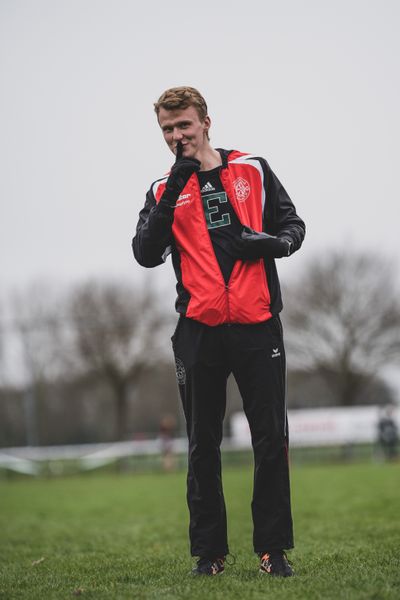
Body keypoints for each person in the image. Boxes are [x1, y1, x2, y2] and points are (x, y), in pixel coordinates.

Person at [132, 86, 305, 577]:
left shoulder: (253, 167)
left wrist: (277, 244)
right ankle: (210, 555)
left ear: (207, 121)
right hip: (199, 330)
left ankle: (273, 551)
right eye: (167, 128)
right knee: (201, 443)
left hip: (257, 326)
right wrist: (176, 185)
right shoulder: (161, 186)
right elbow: (146, 251)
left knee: (270, 438)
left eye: (183, 125)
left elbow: (293, 224)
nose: (176, 136)